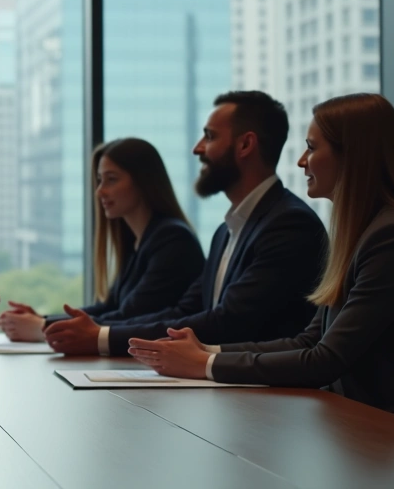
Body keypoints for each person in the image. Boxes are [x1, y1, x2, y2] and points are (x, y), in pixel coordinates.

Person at [129, 94, 394, 416]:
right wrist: (206, 349)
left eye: (312, 148)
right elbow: (308, 340)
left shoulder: (391, 235)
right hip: (353, 427)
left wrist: (205, 363)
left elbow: (325, 360)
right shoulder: (362, 233)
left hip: (383, 437)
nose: (302, 161)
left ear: (354, 156)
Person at [44, 91, 327, 356]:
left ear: (245, 145)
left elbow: (228, 322)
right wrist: (100, 334)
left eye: (209, 136)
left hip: (267, 399)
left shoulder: (289, 224)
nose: (197, 148)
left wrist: (102, 338)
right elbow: (185, 310)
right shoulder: (225, 232)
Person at [0, 138, 203, 341]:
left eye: (111, 179)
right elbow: (110, 307)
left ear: (143, 182)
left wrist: (44, 327)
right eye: (100, 180)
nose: (100, 191)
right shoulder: (138, 240)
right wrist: (41, 319)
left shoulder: (173, 240)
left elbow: (132, 316)